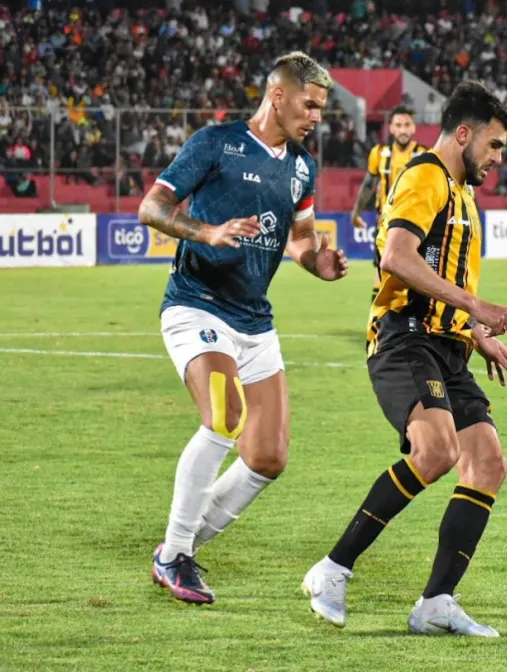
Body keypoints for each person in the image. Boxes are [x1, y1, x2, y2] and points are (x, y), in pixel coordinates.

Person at [302, 81, 507, 637]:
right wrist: (476, 305)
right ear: (465, 134)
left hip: (447, 345)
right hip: (404, 339)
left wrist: (474, 332)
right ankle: (332, 569)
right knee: (437, 451)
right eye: (494, 146)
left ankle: (436, 602)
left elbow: (441, 277)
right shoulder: (425, 175)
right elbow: (397, 257)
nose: (498, 159)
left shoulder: (463, 192)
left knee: (488, 462)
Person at [138, 52, 349, 605]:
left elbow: (301, 236)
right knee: (224, 413)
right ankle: (175, 553)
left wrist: (315, 262)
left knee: (268, 457)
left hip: (254, 319)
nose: (317, 116)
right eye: (311, 104)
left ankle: (178, 544)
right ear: (278, 95)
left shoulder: (302, 165)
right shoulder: (216, 142)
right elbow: (152, 208)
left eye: (323, 108)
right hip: (196, 303)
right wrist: (205, 232)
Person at [352, 105, 430, 303]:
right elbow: (369, 184)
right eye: (398, 125)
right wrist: (356, 212)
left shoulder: (424, 155)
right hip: (385, 227)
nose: (403, 130)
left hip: (416, 228)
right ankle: (377, 328)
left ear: (414, 128)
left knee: (414, 279)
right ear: (391, 128)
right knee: (381, 277)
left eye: (407, 125)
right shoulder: (378, 154)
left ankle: (411, 328)